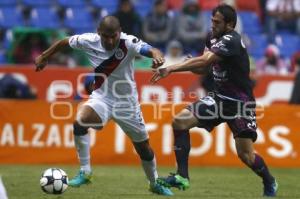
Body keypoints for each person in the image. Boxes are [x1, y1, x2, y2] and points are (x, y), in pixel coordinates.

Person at [35, 16, 173, 196]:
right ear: (98, 32)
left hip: (127, 104)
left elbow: (150, 49)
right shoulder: (89, 40)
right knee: (80, 121)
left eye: (113, 36)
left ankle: (154, 183)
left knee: (144, 149)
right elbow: (65, 42)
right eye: (105, 36)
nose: (109, 40)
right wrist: (44, 56)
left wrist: (157, 56)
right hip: (102, 98)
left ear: (119, 32)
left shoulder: (128, 42)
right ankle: (86, 172)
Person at [151, 4, 278, 197]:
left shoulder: (232, 40)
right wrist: (193, 65)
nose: (213, 25)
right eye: (212, 20)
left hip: (240, 104)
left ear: (230, 24)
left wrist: (172, 68)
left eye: (217, 22)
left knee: (246, 155)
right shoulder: (211, 37)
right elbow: (204, 67)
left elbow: (205, 60)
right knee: (179, 121)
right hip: (218, 99)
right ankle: (182, 176)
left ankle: (269, 181)